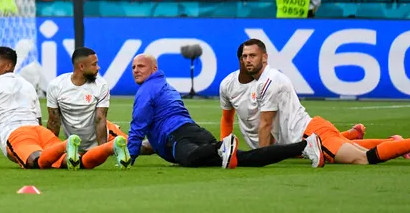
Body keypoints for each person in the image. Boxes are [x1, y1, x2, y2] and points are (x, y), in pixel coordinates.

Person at [226, 39, 410, 166]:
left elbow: (265, 124)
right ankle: (396, 141)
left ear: (264, 57)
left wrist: (261, 158)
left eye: (252, 56)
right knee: (357, 148)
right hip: (311, 133)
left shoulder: (268, 81)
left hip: (312, 136)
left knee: (362, 159)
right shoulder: (265, 79)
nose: (247, 60)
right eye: (244, 56)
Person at [127, 52, 320, 168]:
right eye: (133, 67)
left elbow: (138, 125)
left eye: (141, 66)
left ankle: (221, 147)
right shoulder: (166, 87)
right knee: (245, 159)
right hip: (195, 132)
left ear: (153, 69)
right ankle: (305, 146)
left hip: (178, 138)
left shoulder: (146, 91)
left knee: (190, 159)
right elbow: (160, 129)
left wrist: (130, 156)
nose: (136, 70)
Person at [0, 46, 128, 170]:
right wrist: (43, 141)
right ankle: (110, 146)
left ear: (8, 65)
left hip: (16, 134)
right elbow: (39, 119)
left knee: (36, 162)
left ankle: (65, 144)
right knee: (74, 162)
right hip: (40, 132)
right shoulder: (27, 85)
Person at [46, 48, 126, 153]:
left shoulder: (101, 85)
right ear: (82, 67)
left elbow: (100, 119)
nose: (98, 68)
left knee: (135, 147)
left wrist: (102, 151)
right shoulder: (56, 86)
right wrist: (50, 149)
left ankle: (150, 145)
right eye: (94, 64)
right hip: (74, 143)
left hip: (107, 136)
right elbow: (53, 121)